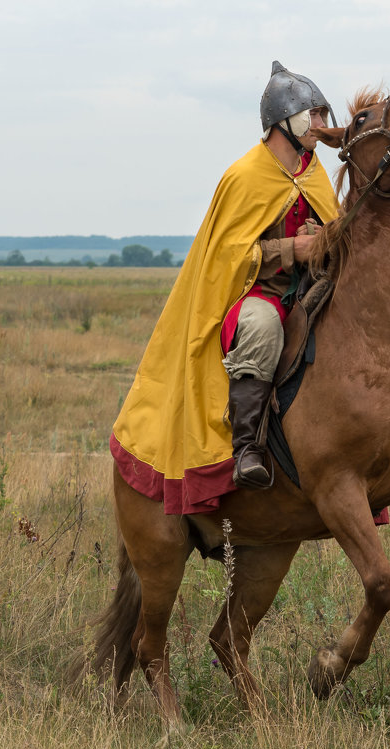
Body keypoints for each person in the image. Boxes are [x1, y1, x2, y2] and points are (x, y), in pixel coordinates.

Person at [110, 61, 341, 514]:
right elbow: (228, 258)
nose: (321, 124)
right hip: (256, 296)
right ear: (284, 121)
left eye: (322, 114)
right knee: (261, 327)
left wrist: (326, 239)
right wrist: (292, 250)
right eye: (313, 114)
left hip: (310, 294)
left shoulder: (316, 175)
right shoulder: (245, 176)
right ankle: (247, 448)